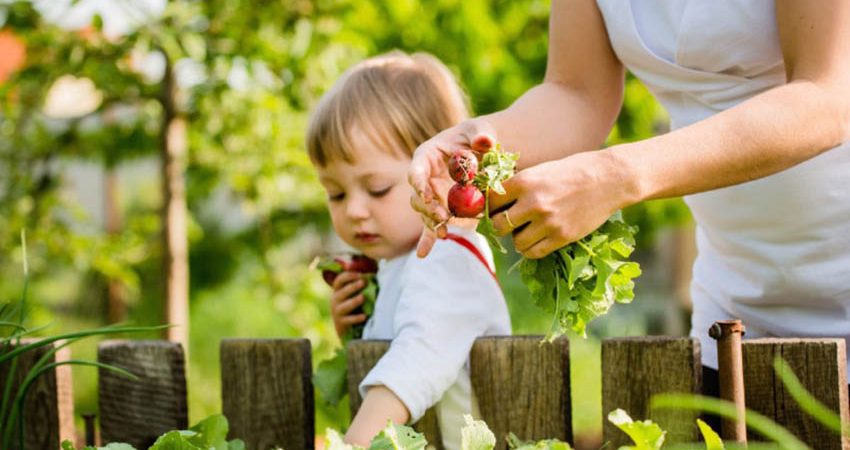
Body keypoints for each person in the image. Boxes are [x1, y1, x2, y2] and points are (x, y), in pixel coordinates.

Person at [408, 0, 850, 382]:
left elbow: (825, 99)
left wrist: (616, 175)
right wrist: (481, 140)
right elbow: (577, 93)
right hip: (736, 295)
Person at [306, 51, 511, 449]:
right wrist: (357, 335)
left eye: (377, 189)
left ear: (436, 171)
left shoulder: (448, 257)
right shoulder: (398, 267)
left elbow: (420, 359)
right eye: (335, 193)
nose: (354, 210)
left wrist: (354, 444)